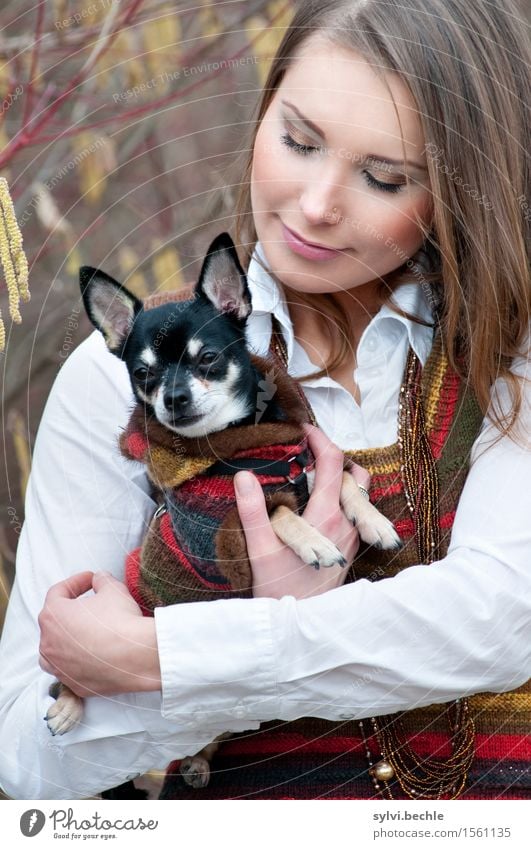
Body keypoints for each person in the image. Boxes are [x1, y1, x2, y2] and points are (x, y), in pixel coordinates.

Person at [0, 0, 529, 800]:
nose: (317, 204)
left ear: (461, 191)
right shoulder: (121, 380)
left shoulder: (509, 362)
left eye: (384, 177)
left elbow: (501, 615)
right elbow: (30, 755)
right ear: (261, 112)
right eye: (298, 140)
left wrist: (166, 655)